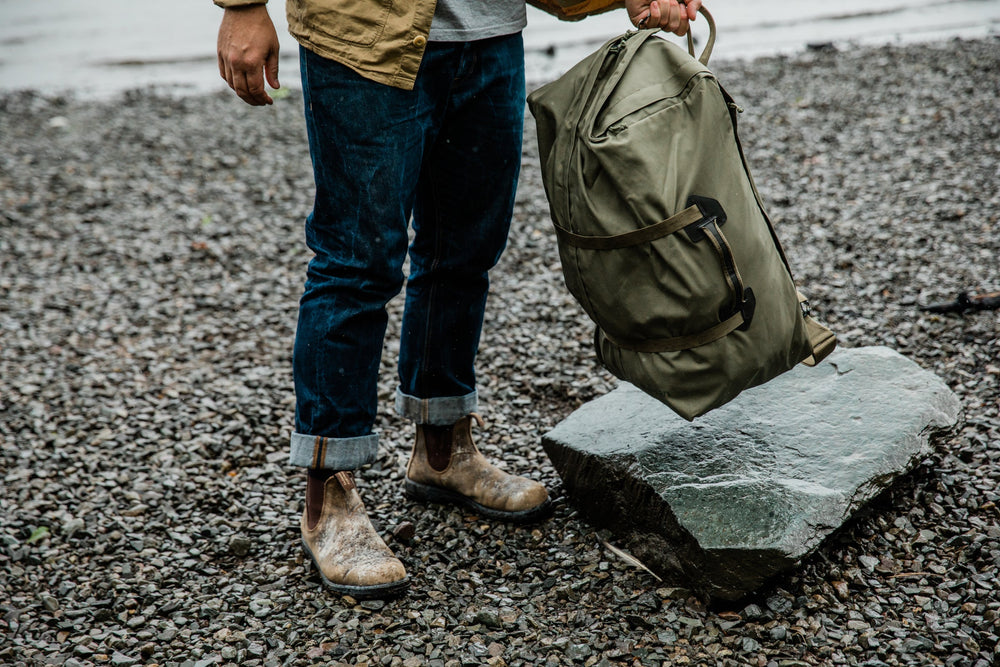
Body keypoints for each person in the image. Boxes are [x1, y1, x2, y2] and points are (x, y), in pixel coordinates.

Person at [215, 0, 702, 599]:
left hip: (491, 33)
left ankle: (442, 450)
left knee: (465, 250)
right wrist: (241, 6)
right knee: (356, 263)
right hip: (363, 36)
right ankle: (329, 499)